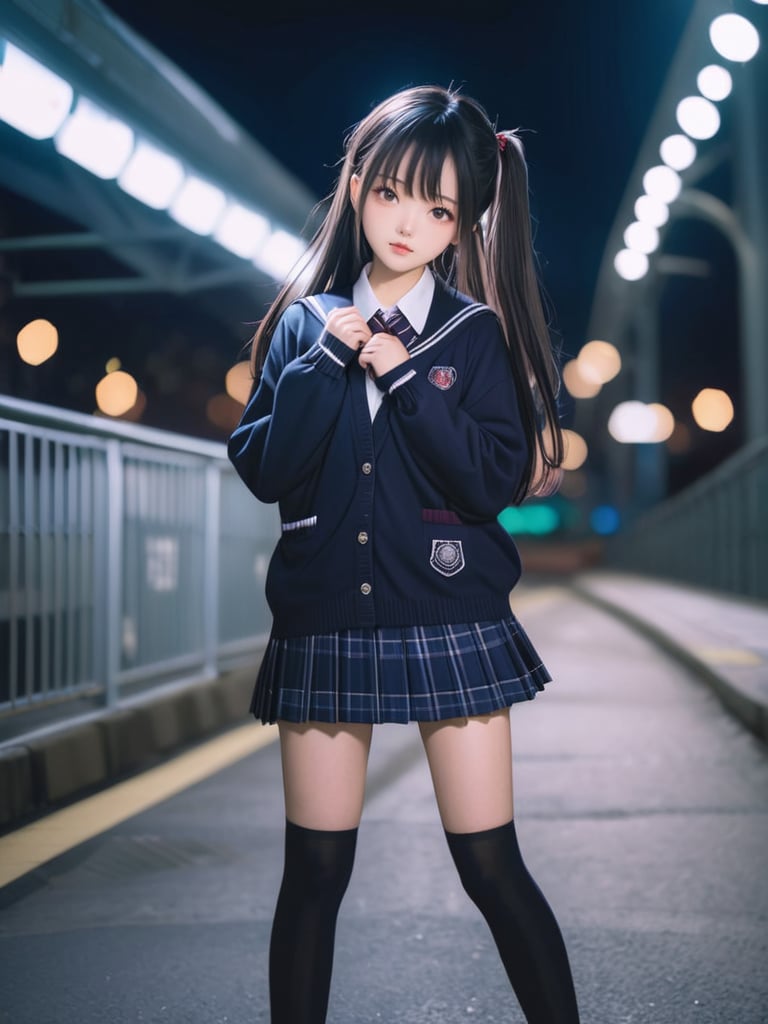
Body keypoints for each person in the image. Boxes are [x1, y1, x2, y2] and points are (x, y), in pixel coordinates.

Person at [228, 83, 580, 1023]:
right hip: (325, 619)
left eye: (437, 208)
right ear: (356, 187)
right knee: (314, 873)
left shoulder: (473, 334)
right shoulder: (304, 327)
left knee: (490, 865)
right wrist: (322, 366)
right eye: (390, 193)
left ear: (462, 224)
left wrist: (407, 377)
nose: (407, 223)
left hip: (451, 618)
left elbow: (488, 482)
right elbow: (263, 468)